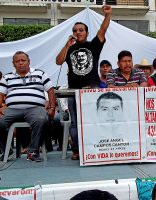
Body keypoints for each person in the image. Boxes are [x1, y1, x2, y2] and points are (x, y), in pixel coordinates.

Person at [55, 5, 111, 160]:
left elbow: (102, 31)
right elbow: (58, 61)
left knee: (92, 121)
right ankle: (76, 150)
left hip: (90, 90)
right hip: (73, 91)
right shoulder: (69, 49)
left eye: (81, 30)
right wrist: (67, 45)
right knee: (75, 123)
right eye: (75, 30)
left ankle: (94, 149)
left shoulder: (93, 46)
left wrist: (107, 15)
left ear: (86, 33)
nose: (77, 32)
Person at [0, 51, 56, 162]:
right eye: (17, 61)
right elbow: (0, 94)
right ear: (13, 64)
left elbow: (50, 90)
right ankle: (7, 151)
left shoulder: (40, 74)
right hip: (12, 110)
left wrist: (52, 108)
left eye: (23, 60)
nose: (20, 63)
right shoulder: (6, 77)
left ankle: (33, 151)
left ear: (28, 62)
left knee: (41, 118)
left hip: (35, 109)